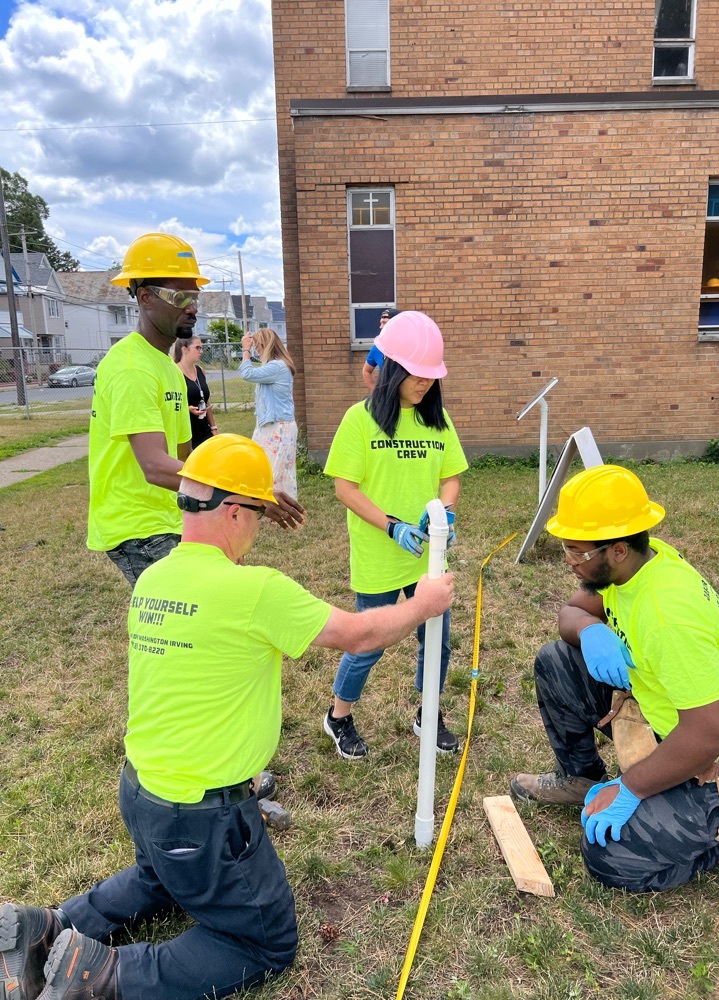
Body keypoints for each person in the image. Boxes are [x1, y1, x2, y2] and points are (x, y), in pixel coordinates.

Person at [0, 433, 454, 1000]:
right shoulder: (253, 589)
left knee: (159, 878)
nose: (258, 527)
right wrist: (424, 602)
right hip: (202, 819)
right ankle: (104, 977)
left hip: (141, 796)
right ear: (234, 511)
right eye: (258, 513)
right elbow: (360, 636)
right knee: (263, 942)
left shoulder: (155, 579)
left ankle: (47, 927)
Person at [510, 464, 719, 893]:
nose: (569, 561)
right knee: (558, 659)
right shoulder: (639, 560)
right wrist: (589, 629)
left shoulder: (668, 620)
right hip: (672, 717)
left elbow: (712, 734)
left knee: (610, 858)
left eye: (576, 552)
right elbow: (571, 612)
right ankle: (581, 778)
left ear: (617, 549)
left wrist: (631, 787)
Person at [89, 233, 302, 589]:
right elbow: (156, 467)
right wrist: (251, 493)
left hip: (171, 516)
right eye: (180, 296)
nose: (192, 306)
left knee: (210, 614)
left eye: (195, 296)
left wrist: (218, 523)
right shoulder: (131, 367)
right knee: (192, 622)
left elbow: (188, 459)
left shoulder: (168, 368)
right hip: (138, 526)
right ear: (144, 297)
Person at [323, 310, 468, 759]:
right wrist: (391, 525)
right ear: (392, 369)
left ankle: (429, 712)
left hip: (428, 554)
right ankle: (339, 716)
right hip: (379, 553)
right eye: (416, 374)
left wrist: (443, 512)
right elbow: (344, 487)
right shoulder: (359, 420)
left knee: (436, 640)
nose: (424, 383)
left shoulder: (437, 419)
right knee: (370, 641)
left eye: (430, 376)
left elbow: (450, 477)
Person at [240, 328, 298, 499]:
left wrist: (245, 350)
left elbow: (247, 373)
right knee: (265, 466)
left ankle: (278, 506)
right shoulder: (274, 367)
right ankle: (268, 503)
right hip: (270, 425)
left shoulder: (277, 367)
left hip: (280, 426)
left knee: (277, 470)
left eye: (257, 346)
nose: (255, 349)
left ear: (266, 345)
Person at [174, 336, 217, 447]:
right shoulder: (174, 372)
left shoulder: (200, 370)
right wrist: (187, 409)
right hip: (186, 433)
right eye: (197, 348)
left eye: (201, 348)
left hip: (204, 431)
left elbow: (206, 401)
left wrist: (213, 428)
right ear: (184, 350)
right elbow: (170, 404)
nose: (201, 351)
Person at [362, 307, 400, 392]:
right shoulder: (377, 348)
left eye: (384, 323)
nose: (380, 327)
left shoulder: (411, 347)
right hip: (388, 400)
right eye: (381, 323)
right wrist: (377, 393)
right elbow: (366, 371)